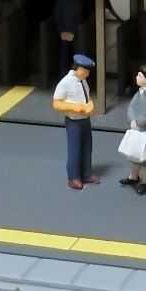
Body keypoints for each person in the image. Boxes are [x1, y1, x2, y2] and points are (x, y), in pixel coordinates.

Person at [52, 53, 99, 190]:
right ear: (79, 69)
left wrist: (90, 105)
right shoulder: (66, 82)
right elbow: (56, 103)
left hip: (85, 120)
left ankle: (86, 173)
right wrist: (77, 108)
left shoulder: (82, 80)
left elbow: (86, 96)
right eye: (86, 71)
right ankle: (74, 178)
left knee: (87, 147)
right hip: (74, 121)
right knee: (75, 149)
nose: (87, 74)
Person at [119, 65, 146, 195]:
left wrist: (138, 122)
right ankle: (133, 177)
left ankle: (145, 182)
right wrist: (132, 120)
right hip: (136, 131)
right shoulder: (138, 93)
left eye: (140, 75)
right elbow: (131, 108)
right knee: (134, 155)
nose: (137, 77)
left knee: (145, 159)